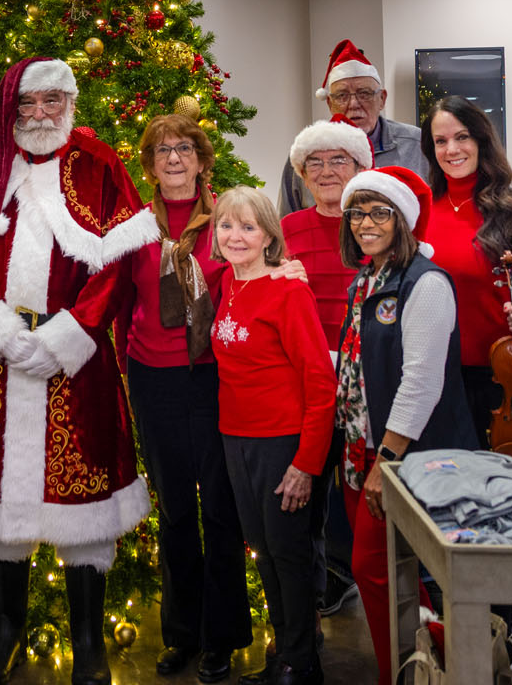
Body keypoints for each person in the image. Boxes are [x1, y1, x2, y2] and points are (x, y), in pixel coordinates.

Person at [0, 57, 158, 685]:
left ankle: (89, 642)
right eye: (28, 103)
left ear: (70, 101)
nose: (39, 114)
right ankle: (5, 631)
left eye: (52, 102)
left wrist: (73, 333)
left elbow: (116, 262)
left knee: (82, 504)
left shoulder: (99, 163)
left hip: (75, 364)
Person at [335, 166, 475, 685]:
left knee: (373, 569)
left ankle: (402, 671)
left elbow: (421, 381)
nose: (365, 224)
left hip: (401, 457)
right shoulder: (368, 278)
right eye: (358, 213)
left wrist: (385, 462)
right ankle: (421, 664)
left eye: (379, 213)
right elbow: (356, 361)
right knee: (392, 573)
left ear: (403, 220)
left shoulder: (426, 282)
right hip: (359, 448)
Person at [127, 115, 250, 684]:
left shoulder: (230, 215)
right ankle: (181, 634)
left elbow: (258, 274)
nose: (173, 158)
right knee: (175, 512)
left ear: (202, 160)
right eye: (161, 150)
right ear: (149, 165)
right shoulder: (134, 225)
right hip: (152, 377)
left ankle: (220, 639)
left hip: (214, 377)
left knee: (221, 511)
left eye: (184, 148)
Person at [210, 187, 335, 685]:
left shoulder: (288, 291)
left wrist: (306, 464)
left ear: (268, 236)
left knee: (289, 554)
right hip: (235, 439)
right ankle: (284, 649)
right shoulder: (227, 284)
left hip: (283, 442)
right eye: (226, 226)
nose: (234, 236)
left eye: (247, 227)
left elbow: (320, 383)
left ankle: (302, 662)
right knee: (262, 549)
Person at [419, 96, 512, 447]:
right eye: (441, 141)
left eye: (462, 137)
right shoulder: (421, 212)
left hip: (498, 377)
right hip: (434, 374)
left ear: (480, 140)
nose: (452, 149)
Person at [278, 117, 371, 621]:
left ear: (360, 166)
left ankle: (362, 571)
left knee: (359, 485)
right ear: (301, 173)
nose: (327, 170)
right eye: (316, 161)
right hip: (306, 378)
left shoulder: (373, 223)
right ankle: (322, 579)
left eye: (339, 159)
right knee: (310, 479)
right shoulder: (287, 230)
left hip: (366, 378)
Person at [280, 40, 427, 215]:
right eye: (342, 96)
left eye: (364, 93)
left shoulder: (418, 146)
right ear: (329, 103)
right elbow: (285, 226)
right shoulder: (305, 153)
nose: (354, 104)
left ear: (382, 99)